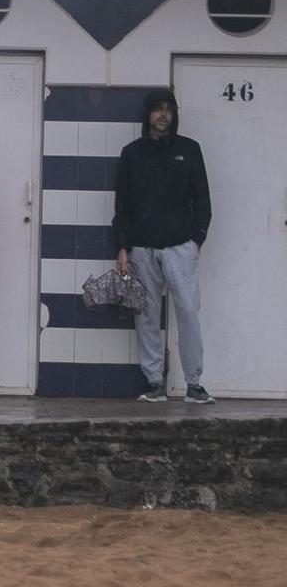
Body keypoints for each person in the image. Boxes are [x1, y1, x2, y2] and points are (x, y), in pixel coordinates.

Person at [113, 88, 213, 404]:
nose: (163, 114)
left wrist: (197, 239)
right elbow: (123, 205)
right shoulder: (132, 153)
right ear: (148, 114)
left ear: (174, 114)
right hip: (141, 248)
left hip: (181, 245)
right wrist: (122, 247)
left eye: (169, 109)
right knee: (146, 316)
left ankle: (194, 384)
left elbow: (203, 199)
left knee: (188, 313)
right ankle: (155, 382)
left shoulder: (190, 149)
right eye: (158, 109)